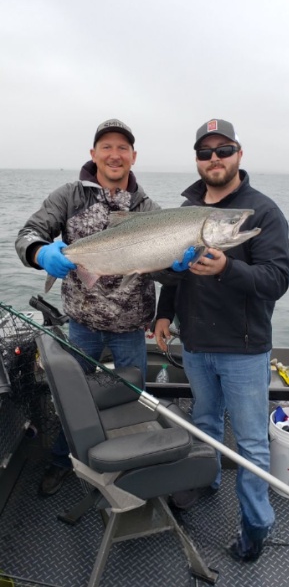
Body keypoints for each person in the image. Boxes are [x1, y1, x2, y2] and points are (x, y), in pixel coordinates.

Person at [154, 118, 289, 562]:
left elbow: (277, 278)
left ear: (239, 154)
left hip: (245, 350)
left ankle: (256, 525)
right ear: (196, 160)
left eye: (223, 149)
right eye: (205, 152)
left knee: (251, 442)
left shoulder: (261, 211)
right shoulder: (184, 209)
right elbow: (173, 274)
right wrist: (163, 315)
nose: (214, 159)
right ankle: (205, 479)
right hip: (194, 343)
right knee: (205, 422)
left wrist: (227, 269)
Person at [15, 118, 161, 495]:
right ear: (93, 154)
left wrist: (176, 264)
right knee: (73, 400)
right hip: (83, 323)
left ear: (133, 156)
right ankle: (63, 460)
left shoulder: (146, 206)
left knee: (135, 400)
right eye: (107, 147)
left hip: (132, 326)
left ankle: (134, 469)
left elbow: (164, 268)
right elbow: (27, 234)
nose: (115, 154)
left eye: (123, 148)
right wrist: (40, 252)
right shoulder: (69, 195)